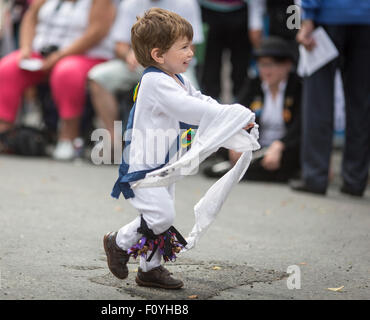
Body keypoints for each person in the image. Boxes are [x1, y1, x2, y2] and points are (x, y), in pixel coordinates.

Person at [103, 8, 256, 289]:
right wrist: (234, 116)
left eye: (190, 46)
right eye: (184, 47)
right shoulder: (154, 81)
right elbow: (190, 109)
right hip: (144, 166)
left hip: (166, 164)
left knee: (157, 215)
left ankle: (150, 269)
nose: (191, 53)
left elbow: (202, 100)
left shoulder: (177, 79)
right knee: (160, 216)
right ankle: (118, 242)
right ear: (158, 55)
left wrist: (234, 120)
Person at [0, 0, 117, 160]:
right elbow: (30, 18)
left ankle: (68, 139)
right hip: (43, 54)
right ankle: (0, 136)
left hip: (85, 56)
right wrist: (26, 48)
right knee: (7, 68)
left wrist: (60, 56)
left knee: (66, 72)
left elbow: (97, 32)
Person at [87, 0, 203, 158]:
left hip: (175, 65)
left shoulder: (185, 3)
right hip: (138, 64)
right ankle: (113, 140)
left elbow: (190, 47)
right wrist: (130, 54)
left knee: (193, 97)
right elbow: (120, 44)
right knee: (98, 77)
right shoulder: (130, 3)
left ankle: (186, 147)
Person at [290, 0, 370, 196]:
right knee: (361, 102)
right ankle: (355, 180)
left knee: (318, 100)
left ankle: (316, 176)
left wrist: (307, 16)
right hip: (366, 18)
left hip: (328, 14)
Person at [204, 36, 302, 182]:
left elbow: (301, 126)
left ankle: (239, 169)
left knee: (293, 156)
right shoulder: (254, 84)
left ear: (287, 65)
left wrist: (280, 145)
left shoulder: (298, 87)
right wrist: (239, 141)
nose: (265, 71)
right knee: (223, 141)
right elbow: (238, 114)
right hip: (257, 147)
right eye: (262, 65)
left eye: (271, 65)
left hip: (284, 148)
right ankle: (250, 168)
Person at [197, 0, 251, 101]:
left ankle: (242, 104)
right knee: (210, 67)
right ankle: (211, 107)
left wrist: (255, 22)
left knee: (241, 67)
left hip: (241, 10)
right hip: (207, 10)